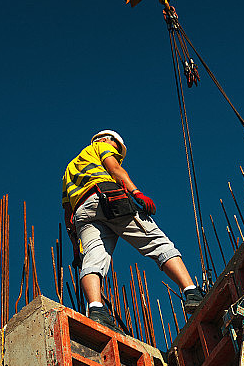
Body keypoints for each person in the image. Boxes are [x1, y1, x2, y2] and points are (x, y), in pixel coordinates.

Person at [62, 129, 203, 333]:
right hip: (107, 198)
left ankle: (97, 310)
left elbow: (67, 212)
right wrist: (136, 192)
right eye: (117, 147)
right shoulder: (99, 146)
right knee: (156, 242)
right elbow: (115, 169)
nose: (118, 153)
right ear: (104, 139)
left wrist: (76, 245)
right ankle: (191, 292)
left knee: (92, 259)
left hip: (82, 211)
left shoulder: (69, 169)